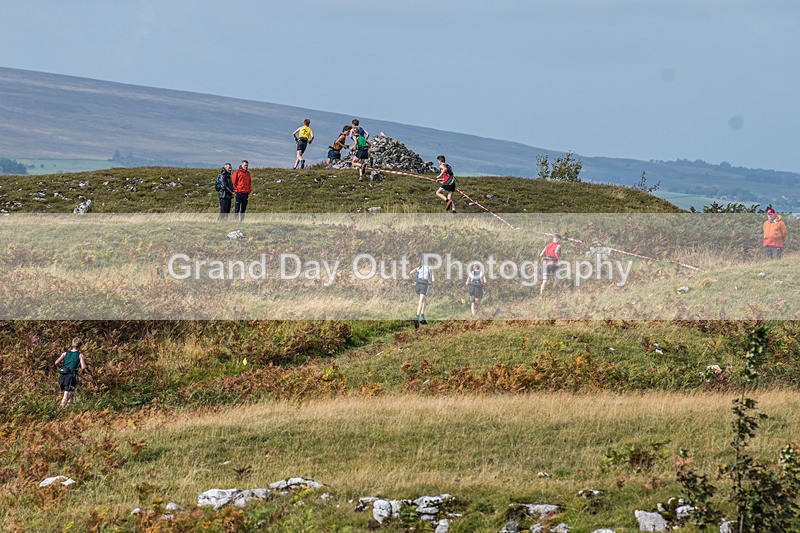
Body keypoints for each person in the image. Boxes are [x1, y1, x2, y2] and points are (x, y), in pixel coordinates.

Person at [54, 337, 87, 409]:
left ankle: (69, 409)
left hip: (62, 376)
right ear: (80, 345)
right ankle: (60, 409)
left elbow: (56, 362)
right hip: (71, 376)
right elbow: (83, 367)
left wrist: (62, 368)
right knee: (66, 394)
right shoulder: (80, 355)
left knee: (71, 392)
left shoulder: (65, 353)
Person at [410, 259, 435, 328]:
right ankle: (417, 317)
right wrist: (431, 283)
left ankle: (423, 318)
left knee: (424, 300)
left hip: (417, 285)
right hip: (424, 285)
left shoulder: (419, 267)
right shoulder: (430, 268)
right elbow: (433, 280)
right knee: (421, 302)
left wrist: (414, 281)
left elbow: (410, 273)